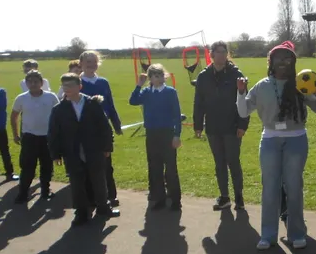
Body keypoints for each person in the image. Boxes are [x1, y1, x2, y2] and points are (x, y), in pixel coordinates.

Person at [236, 41, 316, 250]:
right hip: (270, 140)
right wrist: (241, 92)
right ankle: (268, 235)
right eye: (279, 59)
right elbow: (243, 112)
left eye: (288, 59)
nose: (283, 63)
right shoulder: (262, 86)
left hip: (296, 139)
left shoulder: (301, 83)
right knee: (270, 188)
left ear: (294, 62)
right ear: (271, 62)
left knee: (294, 187)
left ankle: (296, 233)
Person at [48, 73, 120, 226]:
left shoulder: (92, 104)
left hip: (94, 150)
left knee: (99, 180)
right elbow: (54, 133)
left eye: (70, 85)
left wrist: (107, 146)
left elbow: (104, 128)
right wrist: (55, 154)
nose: (67, 89)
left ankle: (103, 207)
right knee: (77, 183)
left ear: (79, 86)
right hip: (72, 152)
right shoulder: (59, 109)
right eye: (64, 86)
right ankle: (81, 212)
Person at [194, 41, 248, 211]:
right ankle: (224, 197)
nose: (222, 55)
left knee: (233, 162)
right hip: (213, 127)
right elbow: (199, 103)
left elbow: (243, 101)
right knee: (219, 163)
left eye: (224, 52)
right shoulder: (203, 76)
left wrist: (242, 125)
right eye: (218, 52)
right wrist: (198, 125)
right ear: (211, 55)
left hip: (232, 127)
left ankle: (239, 197)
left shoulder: (235, 74)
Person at [129, 64, 182, 211]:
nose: (159, 78)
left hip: (167, 133)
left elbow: (176, 114)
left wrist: (177, 135)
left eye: (161, 75)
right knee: (154, 167)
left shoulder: (170, 92)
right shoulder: (146, 92)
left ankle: (175, 199)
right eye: (155, 76)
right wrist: (139, 85)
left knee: (170, 167)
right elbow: (133, 101)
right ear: (150, 78)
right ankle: (158, 198)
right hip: (152, 134)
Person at [79, 50, 122, 206]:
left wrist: (116, 123)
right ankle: (91, 199)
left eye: (94, 62)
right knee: (87, 166)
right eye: (88, 62)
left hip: (103, 130)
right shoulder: (77, 82)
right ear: (81, 64)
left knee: (106, 164)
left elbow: (109, 103)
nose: (91, 65)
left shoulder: (103, 82)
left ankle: (111, 196)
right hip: (84, 130)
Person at [11, 69, 59, 203]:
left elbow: (58, 116)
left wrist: (58, 135)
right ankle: (23, 193)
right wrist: (15, 134)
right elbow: (14, 116)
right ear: (26, 83)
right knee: (27, 167)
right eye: (30, 82)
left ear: (41, 83)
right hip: (29, 138)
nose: (33, 84)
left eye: (36, 81)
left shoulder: (51, 97)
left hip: (47, 138)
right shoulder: (21, 98)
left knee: (47, 166)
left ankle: (45, 191)